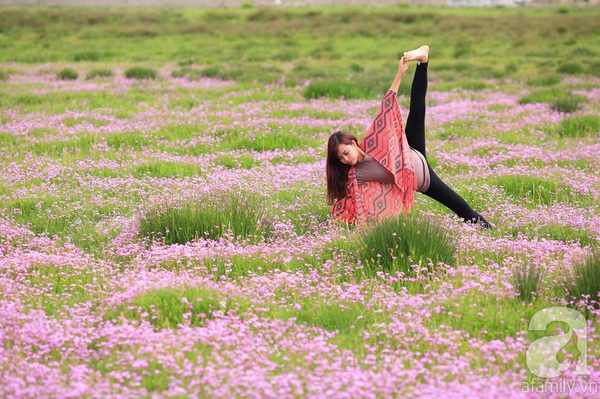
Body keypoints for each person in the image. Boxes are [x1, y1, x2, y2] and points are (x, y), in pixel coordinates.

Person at [326, 45, 491, 228]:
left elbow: (386, 109)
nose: (345, 159)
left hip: (409, 152)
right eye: (340, 158)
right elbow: (350, 200)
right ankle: (490, 231)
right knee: (460, 207)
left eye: (346, 153)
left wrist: (400, 74)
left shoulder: (372, 142)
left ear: (354, 143)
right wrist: (336, 222)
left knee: (417, 109)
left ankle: (423, 61)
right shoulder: (356, 174)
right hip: (420, 178)